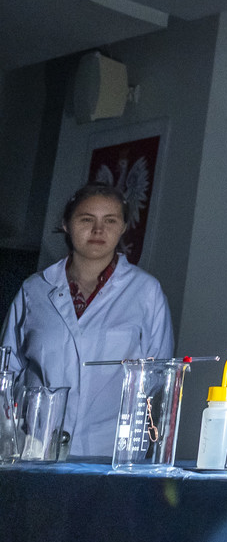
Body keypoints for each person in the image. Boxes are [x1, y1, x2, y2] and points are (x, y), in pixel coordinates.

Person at [1, 183, 174, 458]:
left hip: (111, 453)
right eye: (86, 219)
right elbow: (6, 372)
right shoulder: (34, 290)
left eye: (110, 220)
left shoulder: (146, 292)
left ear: (123, 227)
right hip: (36, 448)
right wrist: (12, 438)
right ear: (66, 224)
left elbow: (159, 378)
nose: (98, 230)